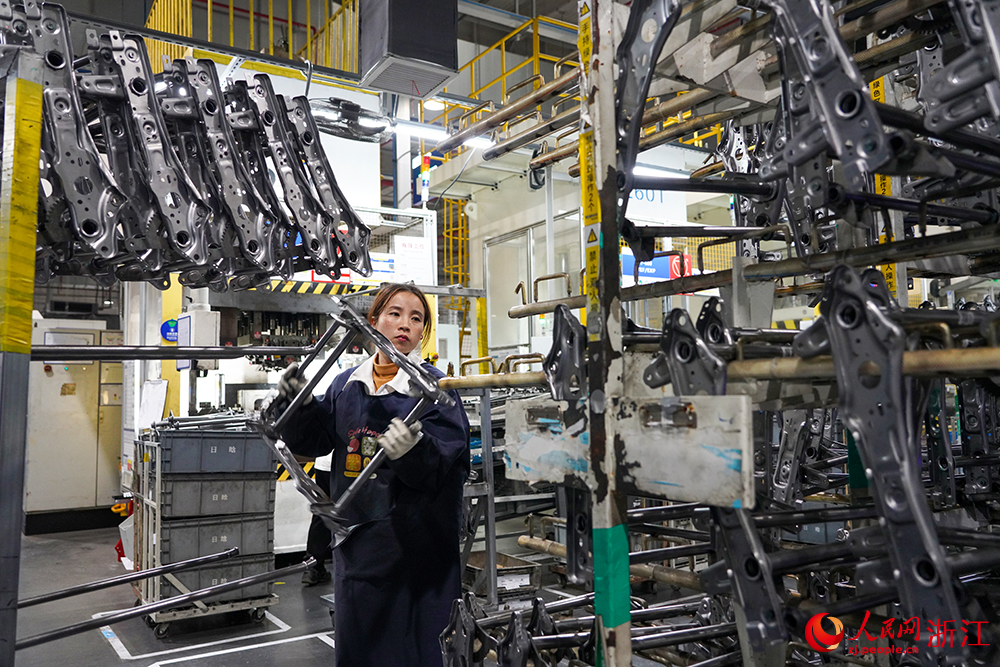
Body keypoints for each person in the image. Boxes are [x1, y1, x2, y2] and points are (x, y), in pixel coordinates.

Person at [277, 283, 470, 667]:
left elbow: (449, 465)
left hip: (418, 555)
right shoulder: (347, 385)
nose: (404, 325)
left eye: (416, 319)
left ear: (422, 333)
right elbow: (314, 439)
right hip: (359, 550)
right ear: (374, 321)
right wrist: (296, 403)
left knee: (418, 651)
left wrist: (415, 452)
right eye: (395, 314)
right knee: (362, 647)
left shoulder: (435, 391)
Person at [301, 451, 333, 586]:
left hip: (323, 464)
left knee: (322, 515)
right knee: (353, 513)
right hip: (345, 466)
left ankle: (313, 568)